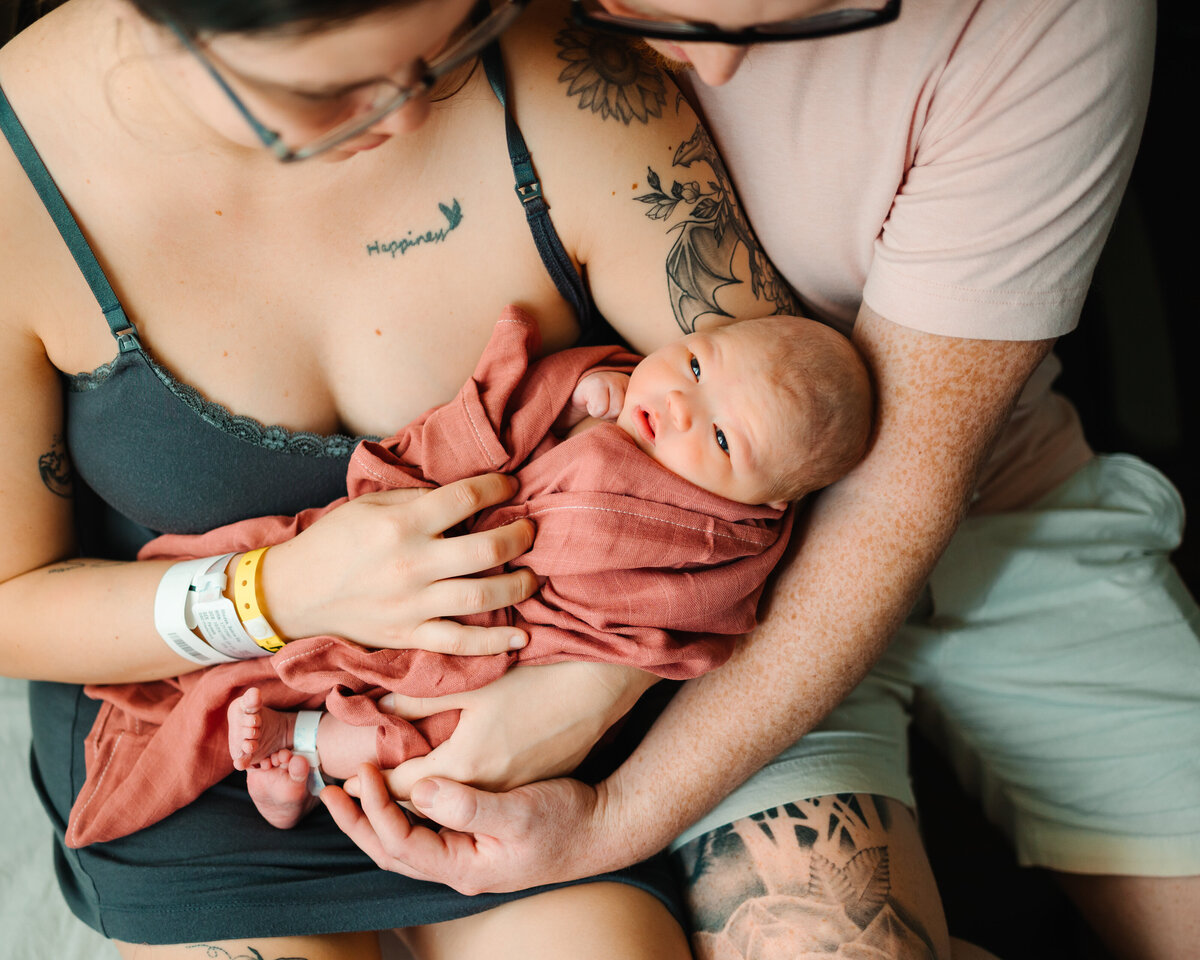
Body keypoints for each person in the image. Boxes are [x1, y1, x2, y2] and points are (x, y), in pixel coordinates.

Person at [318, 2, 1200, 959]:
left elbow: (893, 501)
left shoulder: (1051, 21)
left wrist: (611, 804)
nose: (716, 74)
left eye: (798, 17)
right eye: (633, 7)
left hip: (1000, 507)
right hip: (694, 595)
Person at [0, 0, 800, 955]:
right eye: (326, 92)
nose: (407, 117)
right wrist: (279, 593)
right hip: (212, 739)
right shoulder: (17, 184)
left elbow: (782, 453)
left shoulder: (563, 79)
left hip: (533, 719)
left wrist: (585, 696)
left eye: (443, 49)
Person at [61, 308, 870, 845]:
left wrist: (574, 682)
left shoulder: (726, 541)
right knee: (333, 640)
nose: (685, 405)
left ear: (771, 499)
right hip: (402, 560)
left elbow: (677, 629)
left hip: (517, 653)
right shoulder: (620, 397)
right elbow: (517, 413)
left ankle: (296, 757)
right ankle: (285, 740)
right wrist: (588, 396)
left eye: (725, 439)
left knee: (425, 734)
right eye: (694, 363)